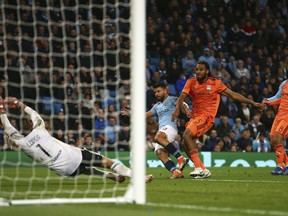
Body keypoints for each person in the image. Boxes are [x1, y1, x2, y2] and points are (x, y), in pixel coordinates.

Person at [0, 97, 153, 183]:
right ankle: (140, 178)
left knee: (85, 170)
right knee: (107, 162)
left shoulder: (22, 143)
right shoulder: (40, 128)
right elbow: (33, 114)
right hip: (71, 156)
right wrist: (19, 104)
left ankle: (109, 176)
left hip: (63, 171)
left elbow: (9, 129)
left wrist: (2, 112)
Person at [172, 60, 263, 179]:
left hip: (207, 117)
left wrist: (252, 103)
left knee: (187, 134)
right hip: (195, 117)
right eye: (196, 69)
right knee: (185, 143)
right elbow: (182, 96)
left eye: (200, 69)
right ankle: (203, 170)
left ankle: (198, 169)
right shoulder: (191, 82)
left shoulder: (215, 83)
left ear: (207, 71)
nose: (198, 71)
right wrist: (178, 109)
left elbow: (233, 95)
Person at [121, 82, 190, 179]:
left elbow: (183, 103)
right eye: (155, 92)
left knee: (157, 137)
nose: (156, 94)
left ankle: (180, 158)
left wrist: (187, 110)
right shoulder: (157, 106)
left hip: (171, 127)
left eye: (158, 91)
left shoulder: (172, 99)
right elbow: (144, 115)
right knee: (159, 152)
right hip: (163, 129)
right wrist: (131, 114)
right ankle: (176, 171)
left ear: (165, 90)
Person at [262, 80, 288, 175]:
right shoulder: (284, 83)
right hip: (279, 114)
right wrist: (267, 101)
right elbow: (279, 98)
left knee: (277, 138)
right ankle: (286, 164)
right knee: (273, 140)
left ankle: (280, 165)